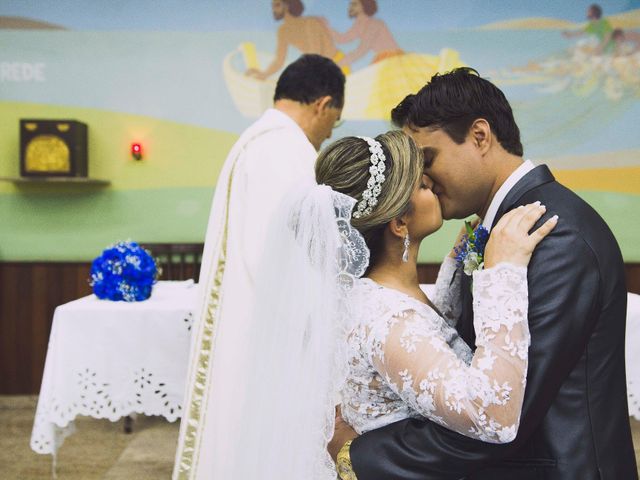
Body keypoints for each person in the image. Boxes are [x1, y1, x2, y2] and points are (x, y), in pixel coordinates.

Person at [196, 125, 556, 479]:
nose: (434, 186)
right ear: (400, 223)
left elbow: (431, 332)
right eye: (423, 185)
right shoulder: (388, 321)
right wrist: (502, 272)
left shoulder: (374, 297)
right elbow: (492, 415)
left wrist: (464, 254)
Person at [331, 67, 637, 479]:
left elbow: (506, 409)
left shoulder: (552, 234)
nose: (425, 181)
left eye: (428, 160)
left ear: (479, 136)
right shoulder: (498, 231)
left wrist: (358, 455)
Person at [172, 53, 344, 480]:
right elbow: (285, 257)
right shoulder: (283, 151)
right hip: (265, 329)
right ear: (323, 104)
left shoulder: (259, 142)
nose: (327, 134)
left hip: (249, 318)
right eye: (334, 121)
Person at [247, 0, 344, 80]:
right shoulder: (283, 31)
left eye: (277, 5)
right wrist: (264, 74)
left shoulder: (310, 23)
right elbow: (279, 60)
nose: (273, 10)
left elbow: (315, 54)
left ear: (287, 5)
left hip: (338, 66)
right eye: (272, 6)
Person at [326, 0, 403, 71]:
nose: (350, 7)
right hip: (382, 60)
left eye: (354, 4)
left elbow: (361, 50)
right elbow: (342, 39)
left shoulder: (374, 24)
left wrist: (337, 65)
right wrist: (325, 27)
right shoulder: (358, 25)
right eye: (350, 4)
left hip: (393, 60)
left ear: (364, 6)